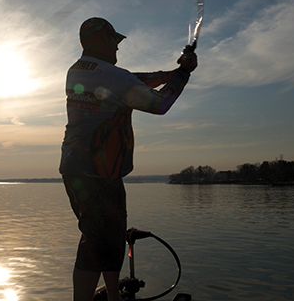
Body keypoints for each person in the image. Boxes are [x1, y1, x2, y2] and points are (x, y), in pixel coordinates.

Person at [59, 17, 197, 301]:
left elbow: (131, 79)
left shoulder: (79, 70)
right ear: (104, 40)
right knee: (97, 240)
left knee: (107, 238)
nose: (118, 48)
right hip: (97, 173)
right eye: (115, 41)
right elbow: (160, 104)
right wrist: (184, 73)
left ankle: (113, 296)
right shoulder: (114, 77)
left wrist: (167, 73)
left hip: (75, 168)